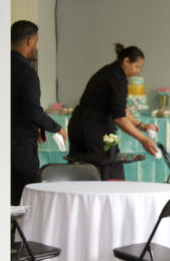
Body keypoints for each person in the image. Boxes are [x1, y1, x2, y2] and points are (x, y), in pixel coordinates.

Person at [68, 43, 159, 179]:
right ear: (126, 61)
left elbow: (120, 109)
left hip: (93, 124)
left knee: (111, 164)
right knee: (98, 168)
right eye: (137, 66)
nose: (138, 71)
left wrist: (141, 126)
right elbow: (119, 118)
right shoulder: (115, 76)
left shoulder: (115, 73)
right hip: (90, 127)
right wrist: (143, 139)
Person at [11, 20, 67, 204]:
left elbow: (16, 107)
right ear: (29, 41)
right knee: (23, 200)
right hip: (21, 148)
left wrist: (39, 127)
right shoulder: (27, 73)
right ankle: (18, 234)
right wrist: (56, 127)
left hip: (1, 144)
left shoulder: (0, 67)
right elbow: (32, 110)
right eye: (36, 41)